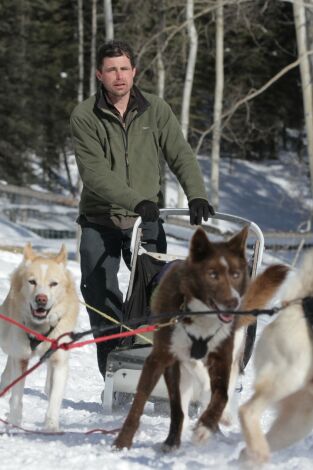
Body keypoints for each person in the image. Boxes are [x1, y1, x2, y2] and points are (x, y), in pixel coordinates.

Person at [70, 40, 214, 382]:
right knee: (101, 297)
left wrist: (196, 194)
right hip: (100, 221)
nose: (119, 76)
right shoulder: (84, 115)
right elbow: (94, 174)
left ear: (134, 72)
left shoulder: (156, 109)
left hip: (145, 222)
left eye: (124, 69)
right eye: (111, 70)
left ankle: (157, 371)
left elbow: (179, 152)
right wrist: (136, 200)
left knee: (157, 297)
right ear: (99, 75)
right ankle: (115, 375)